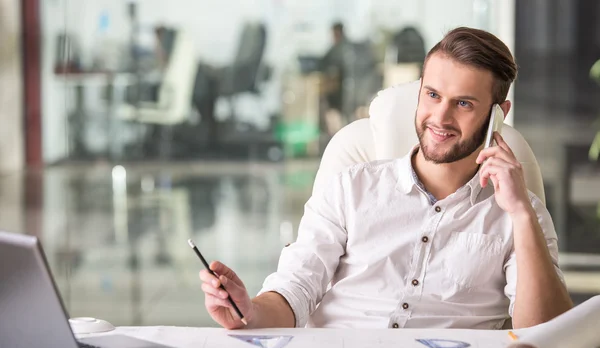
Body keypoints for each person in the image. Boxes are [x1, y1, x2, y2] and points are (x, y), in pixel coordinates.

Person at [199, 27, 573, 330]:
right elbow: (295, 289)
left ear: (498, 115)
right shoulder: (352, 187)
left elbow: (545, 334)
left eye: (463, 103)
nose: (439, 118)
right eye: (432, 95)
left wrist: (520, 214)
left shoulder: (522, 214)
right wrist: (248, 311)